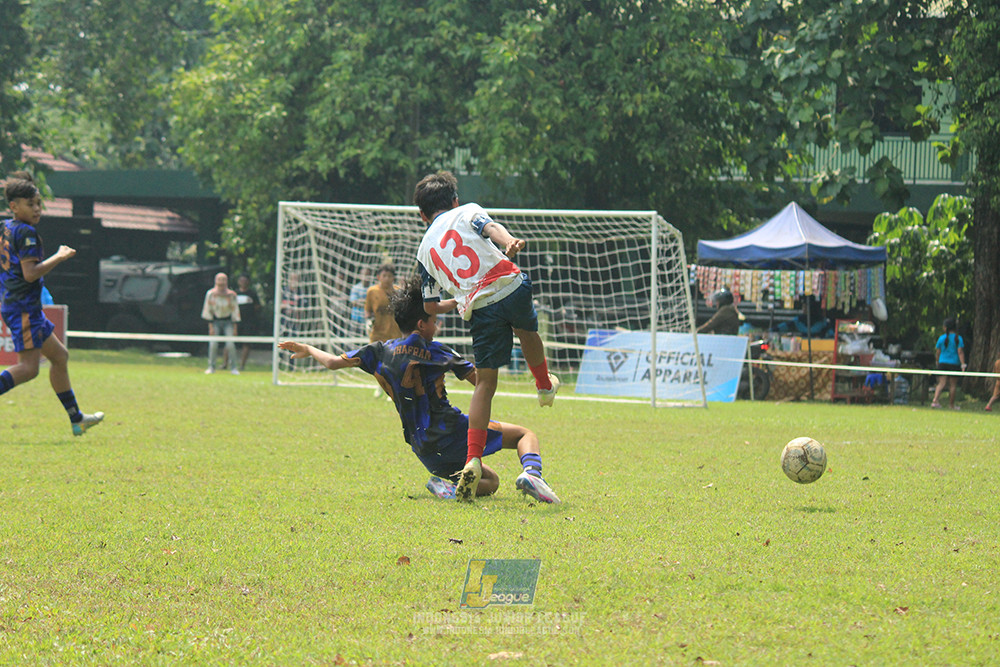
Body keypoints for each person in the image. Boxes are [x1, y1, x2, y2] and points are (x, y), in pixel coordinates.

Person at [278, 277, 560, 503]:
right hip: (452, 433)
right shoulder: (437, 351)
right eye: (434, 321)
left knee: (491, 482)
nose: (437, 326)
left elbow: (330, 362)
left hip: (423, 449)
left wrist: (308, 349)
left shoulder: (377, 351)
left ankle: (447, 487)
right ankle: (533, 475)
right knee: (525, 434)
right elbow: (482, 383)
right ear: (422, 324)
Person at [413, 170, 558, 502]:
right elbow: (491, 228)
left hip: (479, 309)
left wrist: (460, 298)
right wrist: (508, 243)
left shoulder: (424, 250)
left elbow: (430, 306)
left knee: (485, 384)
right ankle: (543, 385)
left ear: (422, 215)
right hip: (508, 285)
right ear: (455, 201)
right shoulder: (467, 211)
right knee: (527, 332)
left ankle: (473, 458)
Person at [0, 172, 103, 436]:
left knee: (59, 356)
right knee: (29, 368)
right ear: (14, 206)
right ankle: (76, 419)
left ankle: (77, 419)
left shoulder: (6, 227)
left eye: (38, 204)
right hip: (22, 307)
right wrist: (60, 256)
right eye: (30, 204)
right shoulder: (26, 233)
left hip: (20, 304)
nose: (36, 209)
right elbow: (31, 273)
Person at [365, 264, 402, 398]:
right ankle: (381, 386)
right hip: (378, 332)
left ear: (393, 278)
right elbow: (367, 310)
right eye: (384, 276)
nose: (386, 279)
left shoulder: (398, 291)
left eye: (390, 276)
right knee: (378, 362)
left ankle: (391, 389)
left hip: (395, 333)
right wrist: (368, 321)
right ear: (378, 277)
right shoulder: (372, 291)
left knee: (393, 362)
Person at [201, 272, 241, 375]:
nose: (221, 282)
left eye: (224, 280)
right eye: (219, 279)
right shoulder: (210, 294)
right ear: (216, 281)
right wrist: (210, 326)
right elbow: (208, 309)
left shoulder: (231, 295)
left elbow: (235, 310)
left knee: (230, 344)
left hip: (228, 322)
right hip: (215, 321)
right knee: (213, 344)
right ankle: (211, 367)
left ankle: (234, 368)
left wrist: (235, 327)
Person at [931, 317, 965, 410]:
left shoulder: (941, 338)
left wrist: (937, 361)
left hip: (943, 363)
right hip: (954, 364)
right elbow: (960, 352)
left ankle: (935, 401)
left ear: (946, 327)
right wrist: (963, 364)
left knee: (941, 383)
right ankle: (951, 405)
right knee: (953, 385)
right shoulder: (958, 338)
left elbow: (938, 352)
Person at [234, 274, 259, 371]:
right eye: (241, 280)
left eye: (245, 280)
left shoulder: (252, 294)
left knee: (246, 344)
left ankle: (242, 365)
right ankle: (225, 363)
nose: (243, 282)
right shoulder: (234, 293)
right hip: (236, 322)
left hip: (249, 322)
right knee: (231, 342)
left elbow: (257, 306)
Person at [348, 267, 372, 336]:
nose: (365, 277)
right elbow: (354, 302)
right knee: (354, 339)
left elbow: (373, 303)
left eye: (367, 275)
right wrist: (367, 302)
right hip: (356, 319)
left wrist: (361, 301)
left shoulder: (373, 288)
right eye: (364, 275)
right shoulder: (356, 288)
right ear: (360, 276)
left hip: (368, 320)